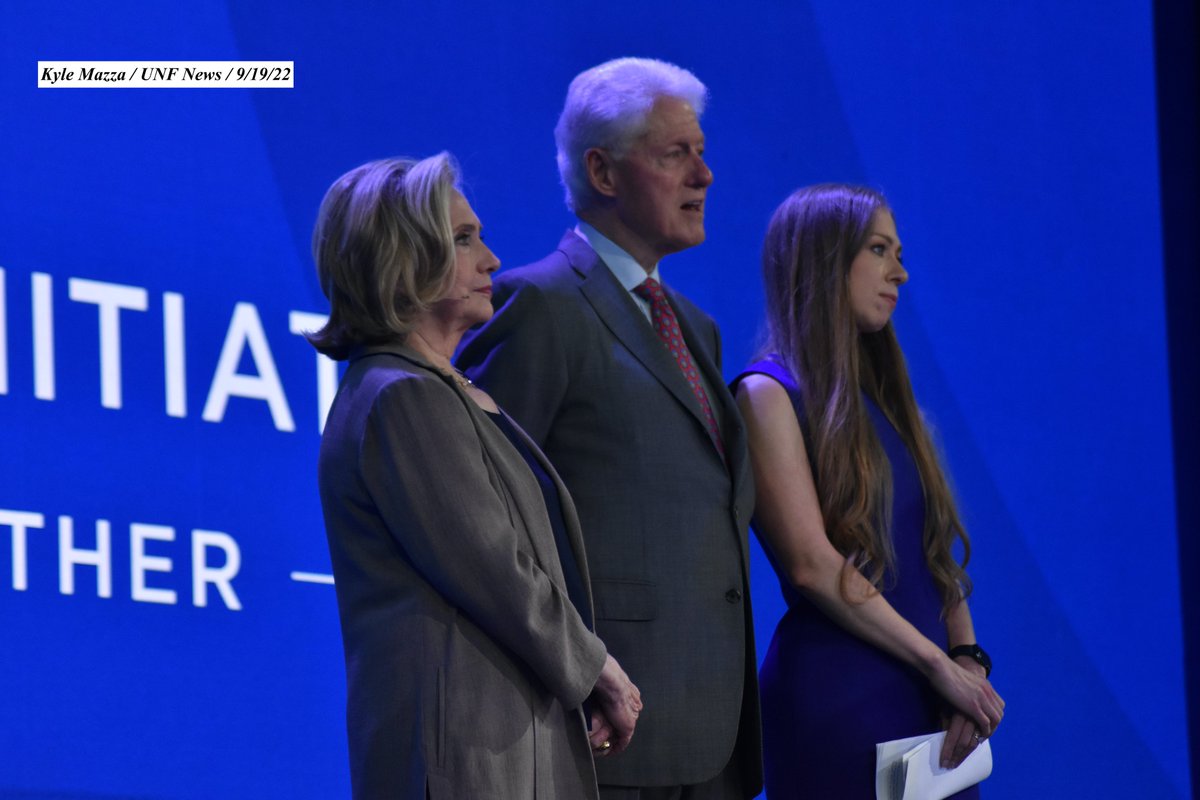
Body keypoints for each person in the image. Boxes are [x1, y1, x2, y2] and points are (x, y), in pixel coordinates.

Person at [457, 58, 762, 799]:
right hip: (603, 731)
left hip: (713, 733)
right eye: (675, 155)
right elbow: (486, 515)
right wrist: (576, 670)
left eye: (702, 151)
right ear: (602, 170)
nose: (705, 175)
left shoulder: (698, 329)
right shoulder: (537, 306)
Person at [309, 153, 642, 799]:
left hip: (510, 741)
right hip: (464, 752)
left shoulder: (436, 389)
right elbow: (496, 570)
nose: (491, 259)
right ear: (402, 257)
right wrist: (597, 668)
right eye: (463, 240)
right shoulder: (401, 396)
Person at [731, 184, 1006, 798]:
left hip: (935, 707)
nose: (900, 273)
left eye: (899, 252)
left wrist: (967, 661)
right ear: (826, 260)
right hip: (841, 701)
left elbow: (934, 554)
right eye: (880, 249)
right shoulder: (766, 393)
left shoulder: (887, 402)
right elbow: (809, 564)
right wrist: (939, 665)